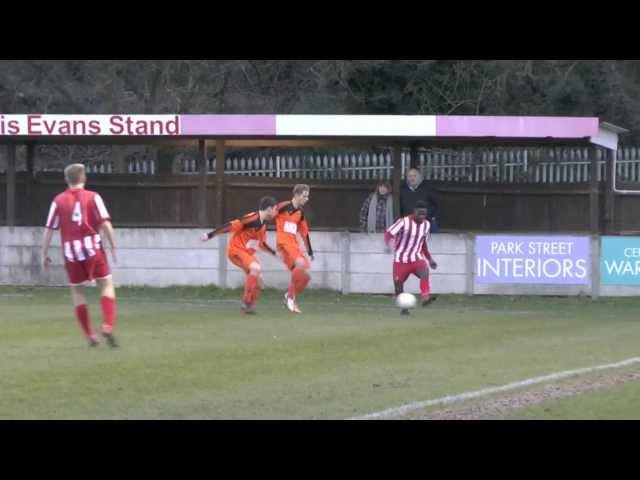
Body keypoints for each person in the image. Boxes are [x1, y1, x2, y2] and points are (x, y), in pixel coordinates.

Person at [41, 163, 119, 347]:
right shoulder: (94, 197)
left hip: (71, 251)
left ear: (67, 180)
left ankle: (90, 334)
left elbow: (49, 229)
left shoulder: (58, 200)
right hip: (92, 247)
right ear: (83, 178)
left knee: (77, 290)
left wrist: (43, 252)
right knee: (106, 284)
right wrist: (113, 246)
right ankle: (107, 325)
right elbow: (106, 224)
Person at [201, 196, 278, 314]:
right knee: (256, 268)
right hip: (236, 251)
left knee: (260, 282)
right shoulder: (251, 218)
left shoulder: (263, 226)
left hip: (247, 254)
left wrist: (274, 253)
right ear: (268, 209)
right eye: (274, 209)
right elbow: (230, 225)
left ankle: (249, 307)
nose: (275, 212)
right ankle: (246, 301)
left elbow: (262, 244)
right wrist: (210, 235)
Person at [384, 200, 438, 315]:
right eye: (420, 214)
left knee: (424, 271)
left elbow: (423, 244)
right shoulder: (404, 222)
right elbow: (389, 233)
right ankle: (404, 309)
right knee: (398, 287)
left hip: (416, 258)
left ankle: (425, 297)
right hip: (400, 260)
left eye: (424, 214)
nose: (422, 216)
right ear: (414, 212)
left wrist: (429, 259)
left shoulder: (426, 225)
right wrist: (388, 244)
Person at [274, 184, 313, 314]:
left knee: (305, 277)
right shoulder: (283, 206)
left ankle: (288, 296)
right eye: (304, 196)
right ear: (296, 195)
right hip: (283, 244)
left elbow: (305, 233)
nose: (306, 199)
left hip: (292, 246)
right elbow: (269, 214)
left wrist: (310, 251)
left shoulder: (300, 213)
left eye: (307, 196)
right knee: (301, 264)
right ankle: (291, 298)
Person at [400, 168, 440, 232]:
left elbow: (437, 204)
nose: (412, 178)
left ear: (419, 177)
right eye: (410, 176)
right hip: (409, 224)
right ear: (407, 178)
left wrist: (433, 218)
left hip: (427, 223)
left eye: (414, 176)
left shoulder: (428, 189)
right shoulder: (403, 191)